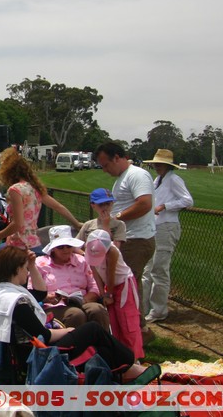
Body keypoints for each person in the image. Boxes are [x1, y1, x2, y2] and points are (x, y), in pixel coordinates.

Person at [0, 246, 149, 381]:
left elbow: (40, 292)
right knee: (92, 329)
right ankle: (129, 361)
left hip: (27, 351)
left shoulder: (2, 292)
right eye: (25, 269)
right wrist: (69, 331)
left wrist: (32, 265)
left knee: (102, 349)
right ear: (17, 270)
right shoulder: (18, 302)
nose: (27, 273)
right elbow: (43, 334)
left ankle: (121, 372)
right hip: (38, 355)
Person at [95, 142, 156, 341]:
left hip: (136, 240)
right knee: (128, 284)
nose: (104, 170)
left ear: (117, 157)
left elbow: (145, 204)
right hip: (128, 238)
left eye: (106, 165)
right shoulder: (123, 178)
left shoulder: (137, 175)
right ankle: (135, 329)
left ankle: (136, 330)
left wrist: (116, 218)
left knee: (127, 286)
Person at [0, 148, 81, 250]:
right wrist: (77, 224)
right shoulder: (35, 188)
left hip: (19, 244)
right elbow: (58, 207)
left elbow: (18, 224)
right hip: (35, 243)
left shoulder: (15, 190)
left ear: (8, 172)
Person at [141, 149, 193, 323]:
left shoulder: (174, 179)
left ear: (167, 165)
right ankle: (144, 308)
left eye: (160, 163)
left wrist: (165, 206)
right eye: (155, 163)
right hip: (155, 227)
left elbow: (188, 200)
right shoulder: (157, 180)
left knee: (159, 270)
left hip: (166, 227)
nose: (157, 166)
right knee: (148, 269)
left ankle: (159, 310)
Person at [35, 225, 110, 331]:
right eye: (60, 247)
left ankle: (103, 345)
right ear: (53, 249)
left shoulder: (82, 261)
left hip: (83, 301)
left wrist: (86, 299)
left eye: (69, 246)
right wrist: (47, 296)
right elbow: (33, 291)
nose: (65, 250)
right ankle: (74, 346)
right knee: (75, 314)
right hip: (55, 306)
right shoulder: (40, 263)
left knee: (97, 310)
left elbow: (94, 285)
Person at [84, 229, 143, 359]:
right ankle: (119, 355)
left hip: (122, 285)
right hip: (108, 287)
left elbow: (111, 274)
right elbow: (95, 271)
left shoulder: (113, 251)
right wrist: (102, 293)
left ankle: (133, 356)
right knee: (113, 322)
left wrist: (109, 294)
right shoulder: (89, 249)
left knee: (126, 320)